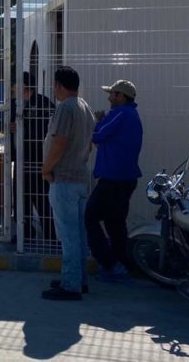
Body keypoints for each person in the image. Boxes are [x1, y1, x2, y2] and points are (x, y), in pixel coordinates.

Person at [41, 66, 95, 301]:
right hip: (81, 177)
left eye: (54, 85)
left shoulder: (65, 108)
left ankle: (70, 285)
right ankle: (78, 279)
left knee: (68, 236)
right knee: (79, 234)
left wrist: (46, 169)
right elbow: (90, 144)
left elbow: (59, 143)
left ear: (59, 85)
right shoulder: (85, 107)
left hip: (63, 180)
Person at [86, 79, 143, 282]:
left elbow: (98, 136)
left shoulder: (120, 114)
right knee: (115, 223)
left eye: (112, 94)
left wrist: (97, 121)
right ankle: (121, 264)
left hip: (113, 178)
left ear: (121, 97)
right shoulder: (132, 115)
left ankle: (108, 262)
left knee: (90, 216)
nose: (109, 98)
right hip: (126, 178)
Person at [20, 72, 57, 244]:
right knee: (22, 198)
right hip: (22, 159)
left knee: (42, 199)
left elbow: (48, 131)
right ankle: (25, 234)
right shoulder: (18, 104)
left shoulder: (43, 103)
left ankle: (50, 237)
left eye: (16, 84)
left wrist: (22, 127)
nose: (12, 88)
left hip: (39, 160)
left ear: (25, 86)